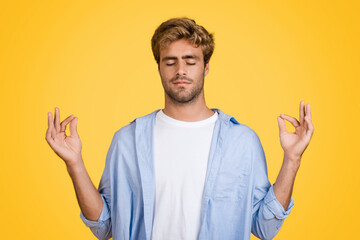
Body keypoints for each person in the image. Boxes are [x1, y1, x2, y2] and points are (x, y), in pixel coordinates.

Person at [45, 17, 314, 240]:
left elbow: (265, 228)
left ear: (206, 67)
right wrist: (74, 164)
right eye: (170, 61)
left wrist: (292, 159)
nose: (180, 70)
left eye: (190, 60)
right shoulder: (127, 140)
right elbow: (104, 226)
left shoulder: (242, 141)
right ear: (159, 68)